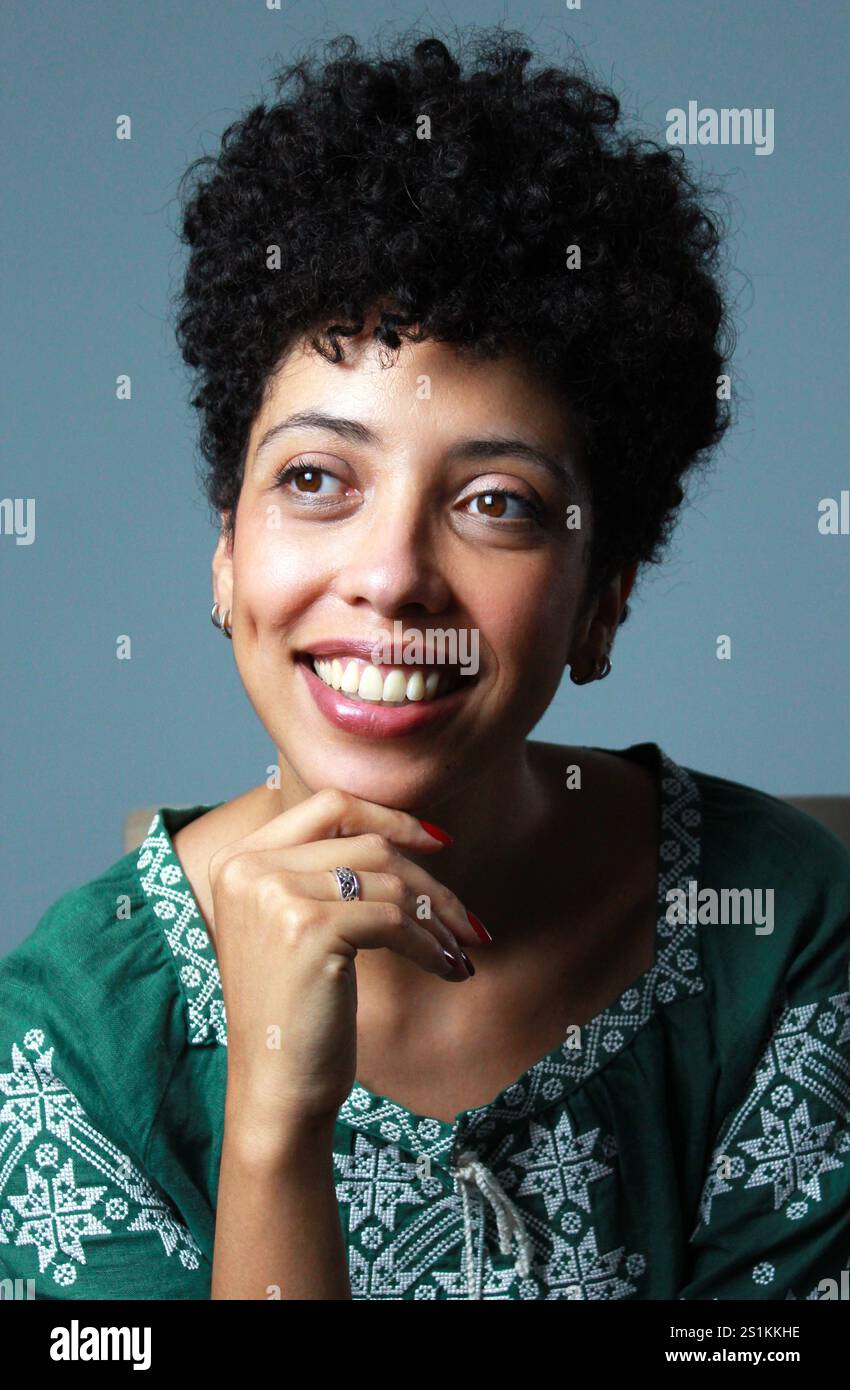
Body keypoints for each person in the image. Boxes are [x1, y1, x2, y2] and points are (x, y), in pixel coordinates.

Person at [1, 28, 848, 1302]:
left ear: (601, 599)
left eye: (496, 501)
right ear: (227, 557)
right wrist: (275, 1124)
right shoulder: (74, 1029)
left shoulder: (776, 929)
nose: (391, 573)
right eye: (314, 478)